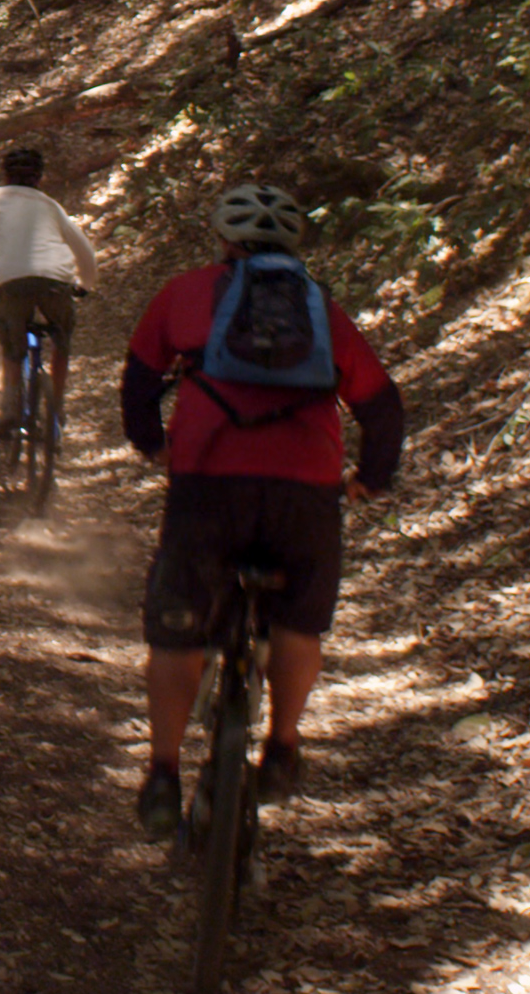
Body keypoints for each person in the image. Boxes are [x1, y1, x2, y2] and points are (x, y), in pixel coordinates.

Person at [120, 181, 404, 839]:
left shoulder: (187, 292)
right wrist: (371, 478)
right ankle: (281, 748)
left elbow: (138, 378)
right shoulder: (322, 311)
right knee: (300, 625)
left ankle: (162, 774)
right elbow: (381, 407)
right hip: (305, 490)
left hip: (208, 483)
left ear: (224, 240)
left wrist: (152, 443)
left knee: (177, 630)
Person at [0, 146, 99, 444]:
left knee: (11, 344)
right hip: (56, 284)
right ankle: (57, 408)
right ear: (40, 177)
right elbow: (85, 250)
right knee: (62, 341)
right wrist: (86, 284)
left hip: (13, 284)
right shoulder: (50, 205)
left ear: (5, 174)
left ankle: (10, 409)